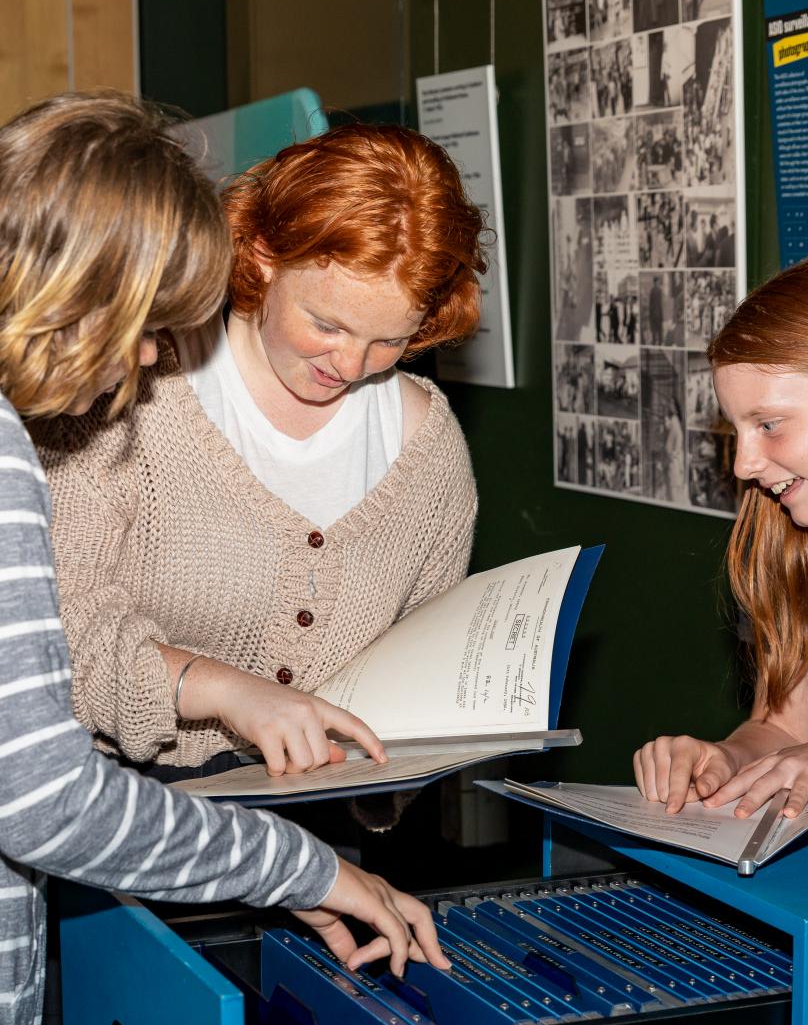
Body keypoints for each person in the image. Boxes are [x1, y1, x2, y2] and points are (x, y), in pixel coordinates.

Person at [0, 91, 447, 1025]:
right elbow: (44, 799)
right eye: (145, 328)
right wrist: (307, 870)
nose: (143, 364)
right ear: (83, 291)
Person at [36, 123, 486, 782]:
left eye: (390, 340)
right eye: (326, 324)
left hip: (323, 812)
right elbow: (51, 623)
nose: (352, 364)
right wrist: (221, 687)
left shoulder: (427, 449)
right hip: (116, 797)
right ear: (263, 254)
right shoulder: (128, 392)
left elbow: (422, 666)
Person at [634, 253, 808, 822]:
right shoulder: (803, 538)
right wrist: (727, 757)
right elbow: (782, 726)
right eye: (737, 431)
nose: (746, 464)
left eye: (769, 425)